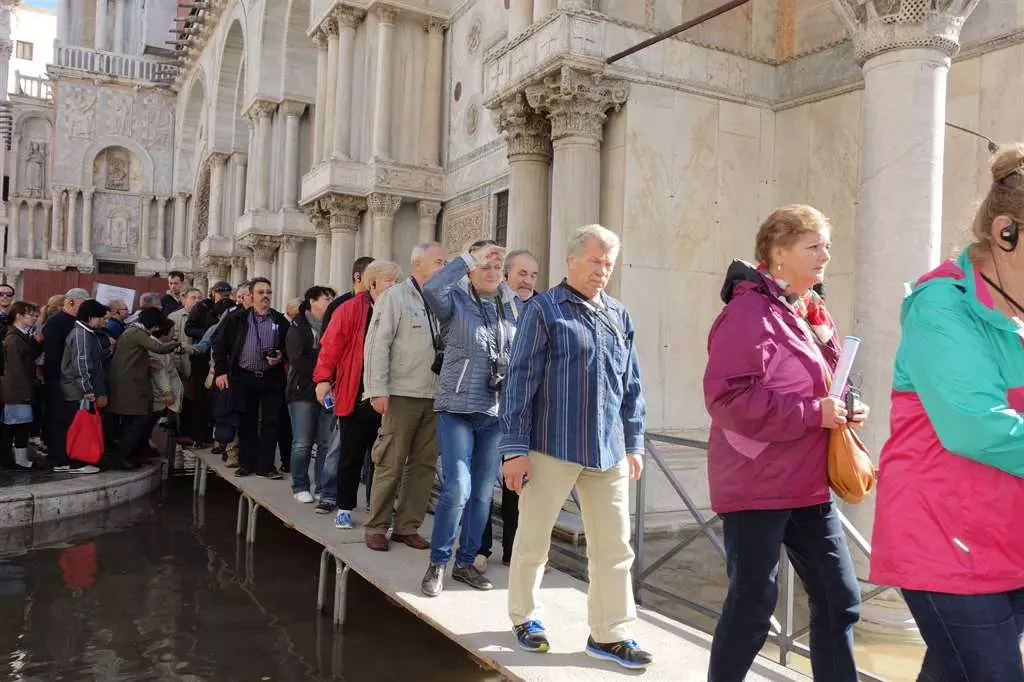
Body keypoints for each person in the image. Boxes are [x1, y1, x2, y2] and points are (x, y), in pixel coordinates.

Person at [871, 145, 1024, 681]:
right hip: (946, 539)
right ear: (1006, 232)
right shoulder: (941, 305)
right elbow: (975, 426)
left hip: (1005, 536)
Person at [703, 205, 866, 681]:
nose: (825, 255)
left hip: (808, 481)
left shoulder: (809, 310)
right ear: (778, 252)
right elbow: (728, 399)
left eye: (827, 246)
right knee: (753, 607)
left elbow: (824, 382)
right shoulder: (748, 312)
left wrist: (847, 406)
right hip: (757, 482)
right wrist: (814, 413)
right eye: (813, 246)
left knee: (840, 599)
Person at [500, 225, 651, 669]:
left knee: (615, 547)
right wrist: (515, 448)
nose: (603, 270)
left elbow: (631, 385)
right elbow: (520, 382)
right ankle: (525, 616)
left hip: (608, 451)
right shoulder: (543, 310)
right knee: (533, 538)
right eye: (595, 261)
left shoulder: (619, 315)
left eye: (608, 263)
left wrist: (635, 442)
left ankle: (610, 633)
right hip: (551, 445)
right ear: (571, 260)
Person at [420, 240, 522, 597]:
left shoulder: (512, 307)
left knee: (481, 493)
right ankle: (437, 562)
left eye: (497, 267)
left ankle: (465, 563)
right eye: (484, 265)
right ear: (470, 270)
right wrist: (467, 258)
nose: (492, 272)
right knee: (458, 488)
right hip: (457, 408)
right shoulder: (455, 301)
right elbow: (431, 287)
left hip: (494, 411)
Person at [363, 243, 446, 551]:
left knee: (424, 465)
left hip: (436, 395)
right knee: (390, 462)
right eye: (438, 262)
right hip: (401, 394)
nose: (444, 267)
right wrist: (377, 390)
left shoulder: (444, 298)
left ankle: (407, 526)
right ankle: (377, 526)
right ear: (418, 264)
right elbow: (377, 344)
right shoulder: (395, 297)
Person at [314, 261, 402, 528]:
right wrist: (323, 380)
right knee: (350, 455)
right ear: (372, 283)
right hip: (355, 393)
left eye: (397, 281)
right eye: (389, 280)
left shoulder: (401, 309)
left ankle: (378, 508)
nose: (394, 286)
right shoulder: (349, 309)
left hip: (389, 395)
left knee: (383, 459)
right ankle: (344, 507)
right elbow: (330, 347)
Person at [478, 248, 541, 571]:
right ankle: (479, 548)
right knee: (484, 479)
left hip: (526, 411)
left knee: (519, 485)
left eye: (533, 275)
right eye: (522, 273)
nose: (528, 281)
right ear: (506, 274)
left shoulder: (544, 309)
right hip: (490, 406)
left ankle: (514, 551)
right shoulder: (489, 304)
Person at [213, 277, 289, 479]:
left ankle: (266, 466)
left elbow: (288, 347)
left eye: (268, 292)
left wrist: (280, 355)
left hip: (271, 377)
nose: (265, 296)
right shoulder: (237, 319)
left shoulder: (279, 320)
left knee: (271, 422)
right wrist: (221, 371)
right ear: (251, 296)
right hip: (244, 377)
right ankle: (247, 463)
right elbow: (219, 344)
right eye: (261, 292)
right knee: (247, 422)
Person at [286, 285, 339, 504]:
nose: (330, 302)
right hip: (303, 391)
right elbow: (298, 359)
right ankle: (300, 485)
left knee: (326, 443)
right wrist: (324, 368)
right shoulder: (298, 326)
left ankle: (322, 485)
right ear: (312, 301)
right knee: (303, 442)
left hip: (329, 392)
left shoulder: (334, 324)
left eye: (331, 298)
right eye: (326, 298)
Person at [108, 307, 179, 469]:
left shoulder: (131, 332)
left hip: (129, 384)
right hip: (131, 385)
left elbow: (131, 357)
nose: (156, 329)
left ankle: (128, 456)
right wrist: (178, 344)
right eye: (156, 325)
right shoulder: (136, 333)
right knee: (137, 422)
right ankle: (124, 457)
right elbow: (158, 348)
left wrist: (147, 363)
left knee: (132, 422)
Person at [56, 299, 110, 475]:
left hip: (76, 387)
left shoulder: (87, 333)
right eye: (101, 318)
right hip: (76, 389)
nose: (103, 321)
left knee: (73, 425)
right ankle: (75, 462)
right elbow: (82, 364)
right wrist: (88, 390)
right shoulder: (81, 335)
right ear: (91, 317)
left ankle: (65, 461)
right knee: (77, 426)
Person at [42, 288, 89, 468]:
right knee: (58, 420)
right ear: (70, 302)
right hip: (58, 379)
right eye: (82, 304)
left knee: (68, 419)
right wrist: (59, 378)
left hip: (69, 379)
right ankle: (58, 458)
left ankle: (67, 454)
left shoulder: (74, 322)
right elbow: (53, 354)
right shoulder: (56, 323)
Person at [184, 281, 234, 448]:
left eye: (226, 294)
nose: (223, 296)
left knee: (218, 401)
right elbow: (190, 329)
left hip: (219, 361)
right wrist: (211, 333)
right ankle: (199, 436)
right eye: (220, 293)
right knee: (202, 398)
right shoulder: (202, 307)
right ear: (213, 292)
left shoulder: (230, 308)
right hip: (203, 360)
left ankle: (215, 437)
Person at [1, 301, 41, 470]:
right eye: (30, 315)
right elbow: (16, 369)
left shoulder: (21, 336)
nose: (34, 318)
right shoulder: (14, 339)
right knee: (16, 426)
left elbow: (28, 358)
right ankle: (15, 460)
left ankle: (17, 459)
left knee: (18, 425)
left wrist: (37, 344)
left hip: (20, 389)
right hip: (17, 390)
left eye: (35, 315)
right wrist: (26, 393)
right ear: (18, 316)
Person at [322, 256, 375, 331]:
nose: (374, 279)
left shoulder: (377, 303)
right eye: (371, 275)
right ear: (357, 277)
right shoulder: (338, 305)